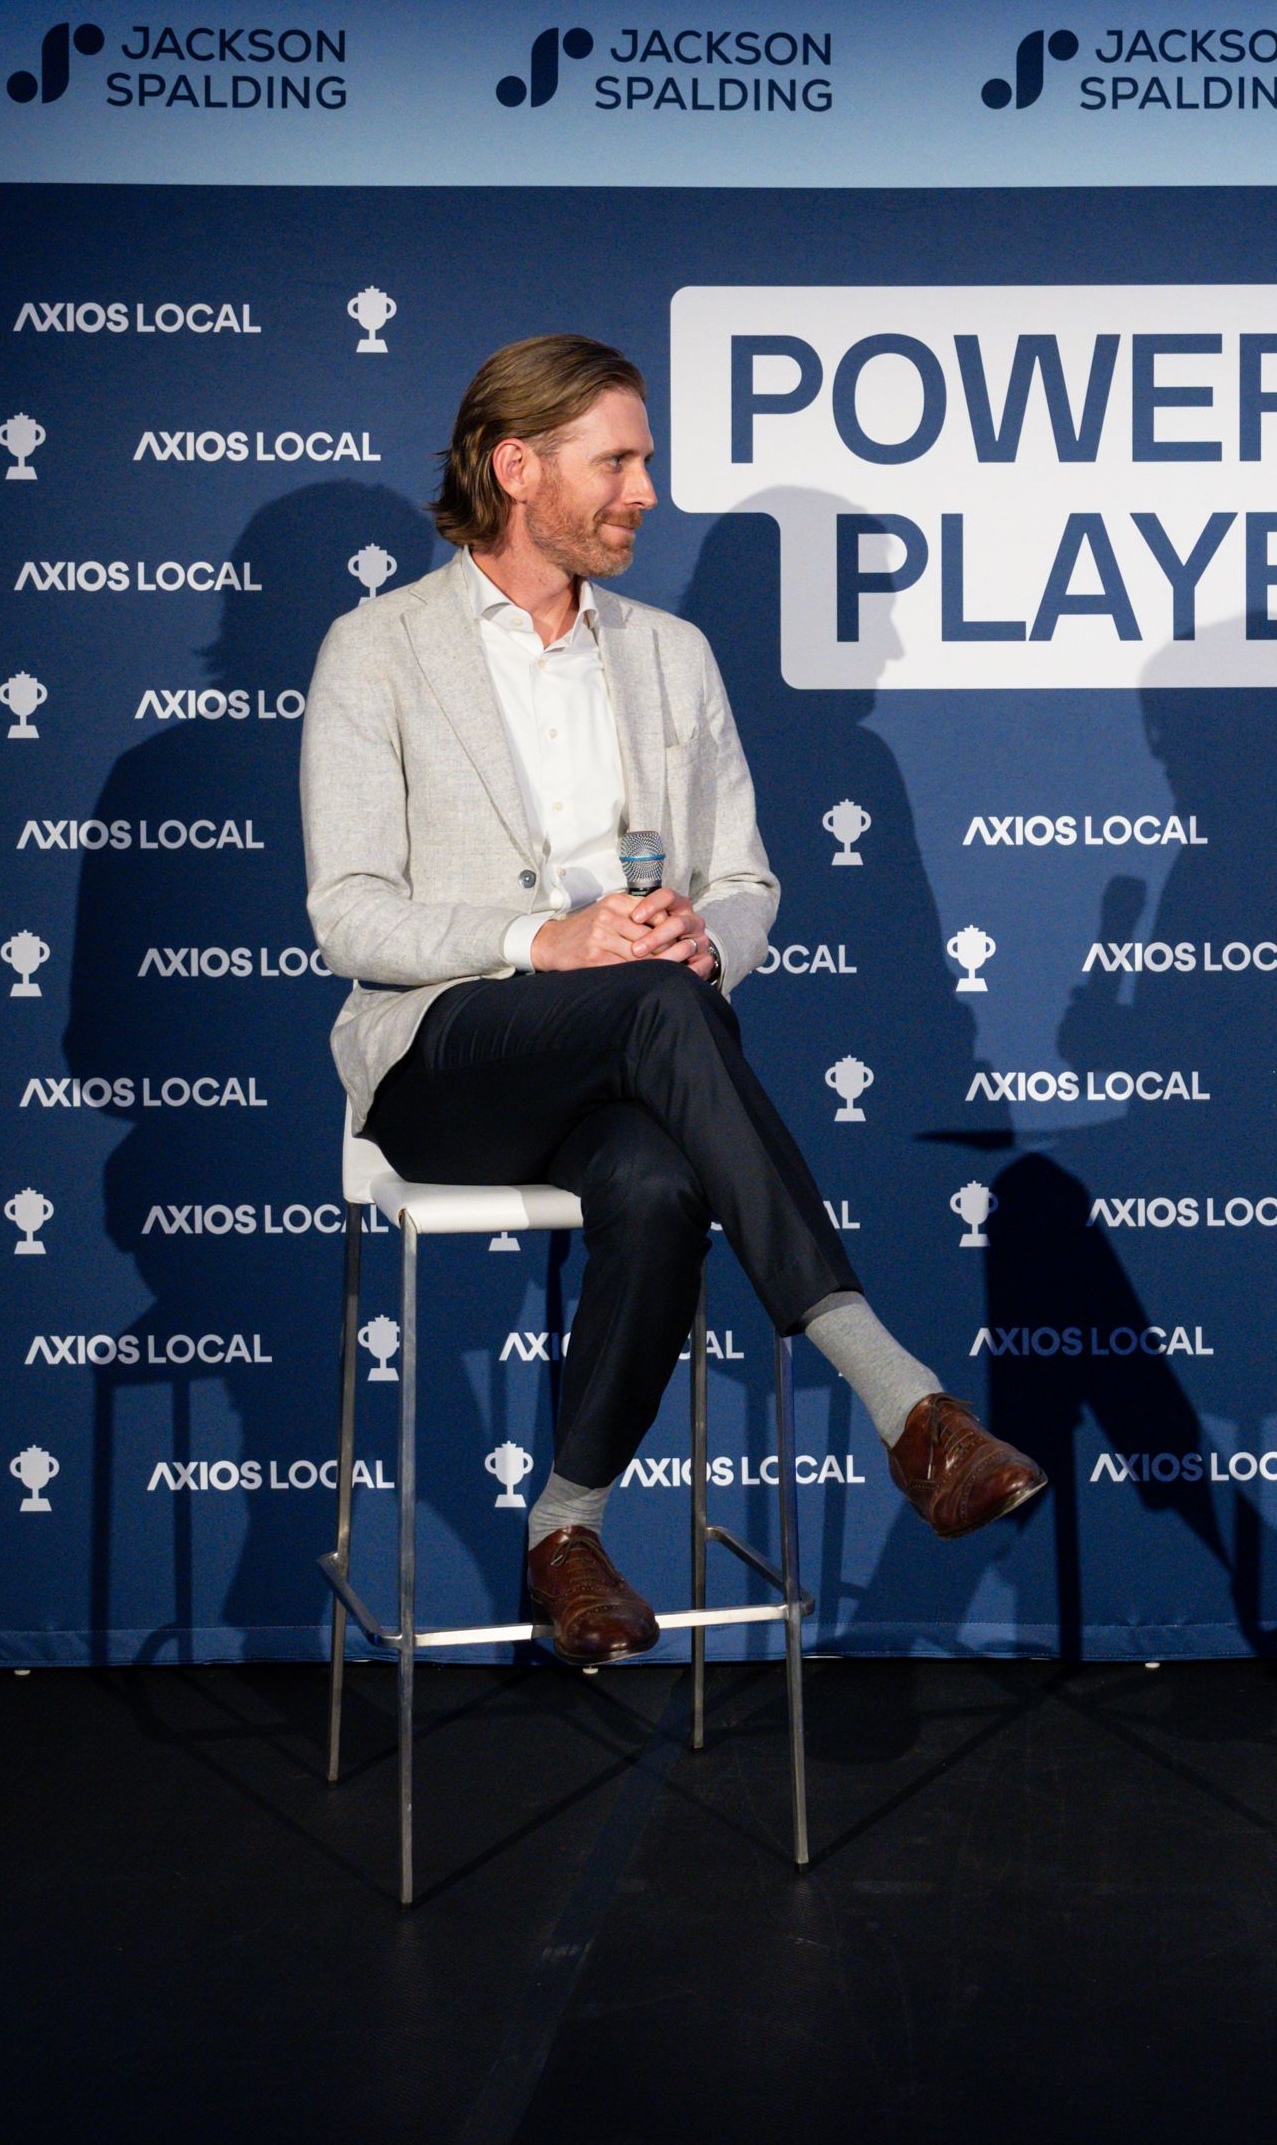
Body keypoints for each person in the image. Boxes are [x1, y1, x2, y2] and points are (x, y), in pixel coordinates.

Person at [301, 333, 1046, 1667]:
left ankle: (566, 1532)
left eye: (648, 462)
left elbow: (746, 880)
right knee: (645, 1000)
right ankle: (907, 1402)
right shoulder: (379, 649)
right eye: (621, 462)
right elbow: (349, 913)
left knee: (656, 1186)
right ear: (514, 464)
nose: (649, 491)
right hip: (450, 1061)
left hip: (633, 1062)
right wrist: (552, 937)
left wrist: (709, 941)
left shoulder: (672, 656)